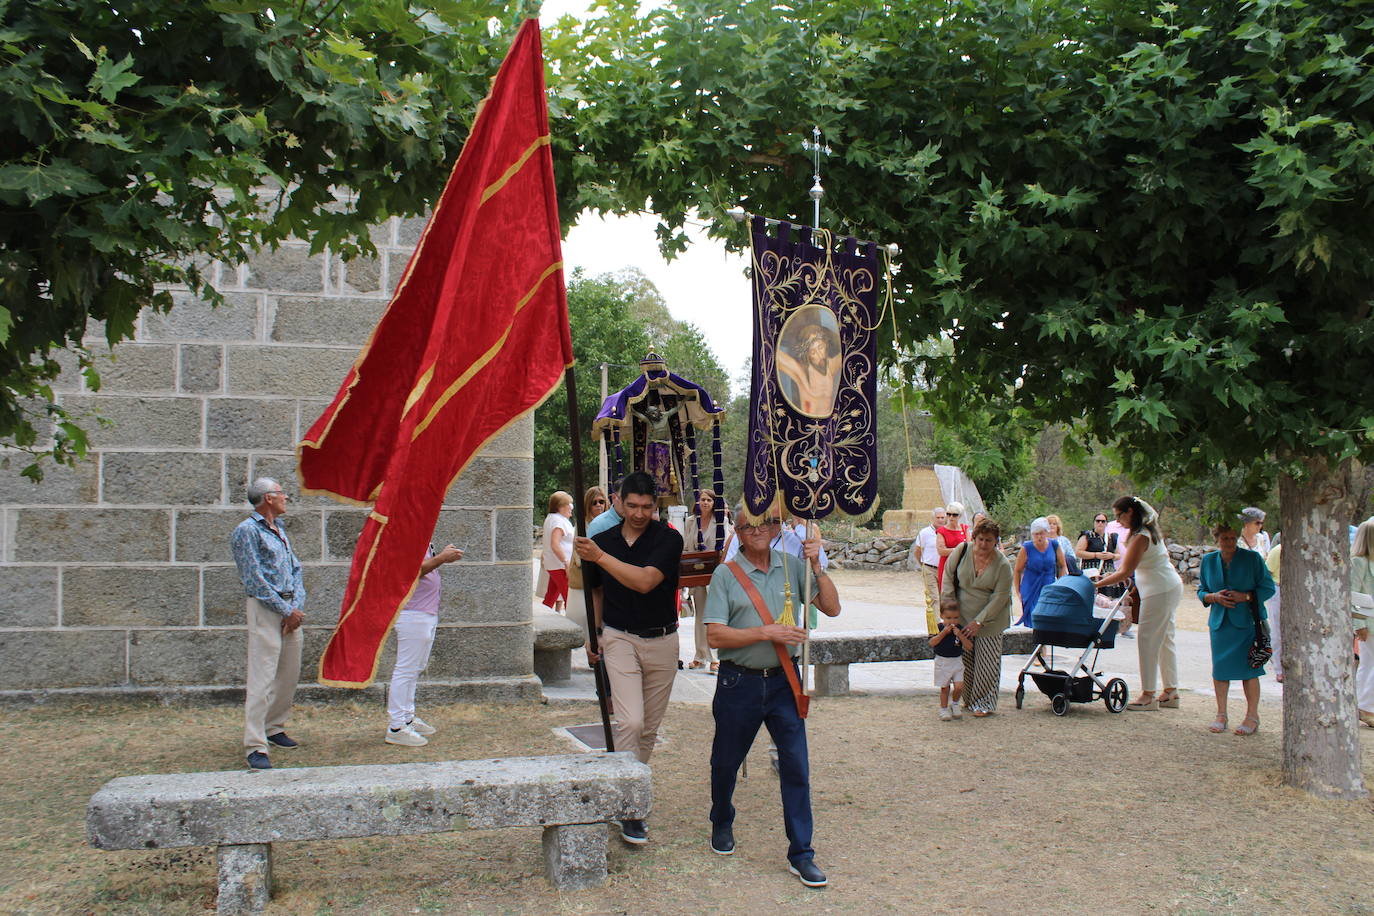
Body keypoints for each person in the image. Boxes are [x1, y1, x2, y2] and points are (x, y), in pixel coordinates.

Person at [703, 505, 841, 887]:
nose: (758, 529)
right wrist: (767, 632)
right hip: (738, 682)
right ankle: (721, 819)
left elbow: (832, 608)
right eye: (749, 525)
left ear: (778, 528)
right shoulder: (726, 574)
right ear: (738, 531)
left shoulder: (792, 566)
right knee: (725, 762)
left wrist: (817, 565)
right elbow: (714, 635)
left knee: (796, 766)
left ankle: (802, 853)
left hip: (784, 681)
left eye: (767, 522)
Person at [575, 471, 683, 846]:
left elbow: (646, 581)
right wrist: (595, 633)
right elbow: (596, 591)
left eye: (646, 507)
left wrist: (599, 557)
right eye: (632, 505)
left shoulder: (668, 538)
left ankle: (627, 790)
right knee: (630, 722)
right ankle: (627, 806)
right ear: (618, 502)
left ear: (656, 505)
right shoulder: (602, 540)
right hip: (620, 637)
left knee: (648, 729)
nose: (638, 514)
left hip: (663, 639)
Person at [230, 478, 305, 770]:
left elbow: (295, 568)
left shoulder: (280, 530)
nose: (286, 497)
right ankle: (255, 745)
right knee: (262, 676)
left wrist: (295, 607)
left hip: (289, 610)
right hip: (266, 609)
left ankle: (274, 727)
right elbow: (254, 579)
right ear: (268, 498)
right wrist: (285, 610)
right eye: (281, 493)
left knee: (288, 673)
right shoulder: (246, 531)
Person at [1095, 496, 1182, 710]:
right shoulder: (1144, 532)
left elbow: (1125, 570)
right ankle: (1171, 692)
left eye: (1119, 516)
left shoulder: (1142, 536)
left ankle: (1148, 695)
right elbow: (1142, 567)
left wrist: (1096, 585)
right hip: (1165, 587)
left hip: (1160, 590)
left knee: (1147, 639)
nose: (1118, 521)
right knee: (1165, 639)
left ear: (1130, 513)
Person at [1197, 522, 1275, 735]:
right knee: (1220, 670)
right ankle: (1221, 714)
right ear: (1217, 539)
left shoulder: (1252, 559)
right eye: (1225, 538)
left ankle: (1252, 716)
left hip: (1247, 623)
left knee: (1249, 671)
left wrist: (1246, 596)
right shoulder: (1208, 561)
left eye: (1233, 538)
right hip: (1220, 624)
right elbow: (1201, 590)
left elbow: (1268, 587)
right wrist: (1213, 597)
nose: (1229, 542)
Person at [384, 541, 465, 747]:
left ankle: (407, 717)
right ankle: (396, 727)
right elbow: (410, 572)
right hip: (412, 612)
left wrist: (441, 557)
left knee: (415, 668)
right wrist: (441, 558)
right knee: (405, 669)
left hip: (425, 612)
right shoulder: (406, 538)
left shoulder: (422, 537)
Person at [940, 518, 1013, 717]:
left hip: (990, 620)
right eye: (980, 539)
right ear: (974, 537)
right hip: (961, 616)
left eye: (989, 540)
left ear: (996, 541)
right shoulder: (961, 551)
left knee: (987, 664)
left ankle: (984, 702)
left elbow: (1000, 597)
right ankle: (969, 699)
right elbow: (948, 577)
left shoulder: (1002, 565)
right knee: (965, 662)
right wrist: (949, 608)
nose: (983, 544)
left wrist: (980, 620)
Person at [684, 488, 732, 673]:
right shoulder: (690, 521)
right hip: (696, 573)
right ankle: (700, 656)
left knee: (714, 616)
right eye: (702, 499)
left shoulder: (721, 521)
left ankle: (715, 658)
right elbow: (686, 546)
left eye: (708, 500)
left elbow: (725, 547)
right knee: (700, 615)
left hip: (715, 574)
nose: (705, 503)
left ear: (714, 503)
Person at [566, 486, 609, 640]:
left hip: (607, 576)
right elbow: (578, 553)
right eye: (594, 502)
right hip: (587, 577)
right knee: (584, 619)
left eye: (601, 502)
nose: (598, 505)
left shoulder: (611, 523)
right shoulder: (583, 525)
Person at [1013, 518, 1066, 627]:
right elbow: (1017, 570)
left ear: (1046, 532)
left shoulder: (1054, 545)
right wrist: (1018, 590)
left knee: (1047, 619)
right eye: (1036, 534)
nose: (1039, 537)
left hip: (1049, 587)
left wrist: (1060, 583)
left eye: (1041, 533)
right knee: (1032, 619)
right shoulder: (1027, 547)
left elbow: (1062, 565)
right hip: (1030, 587)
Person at [929, 596, 972, 721]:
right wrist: (944, 633)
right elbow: (932, 642)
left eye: (955, 618)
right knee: (945, 687)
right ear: (942, 616)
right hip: (942, 661)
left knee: (959, 686)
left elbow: (969, 646)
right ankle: (943, 708)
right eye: (948, 618)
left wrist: (960, 635)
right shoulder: (938, 628)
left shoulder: (960, 629)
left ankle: (955, 704)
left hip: (957, 660)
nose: (952, 621)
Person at [1350, 520, 1374, 728]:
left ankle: (1366, 705)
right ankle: (1365, 707)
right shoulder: (1358, 562)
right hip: (1368, 623)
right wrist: (1359, 624)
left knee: (1369, 664)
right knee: (1369, 664)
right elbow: (1353, 595)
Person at [912, 507, 947, 632]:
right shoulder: (924, 533)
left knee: (944, 596)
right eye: (938, 517)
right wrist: (923, 563)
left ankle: (945, 621)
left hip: (944, 569)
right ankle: (937, 625)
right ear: (933, 518)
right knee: (934, 597)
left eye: (942, 517)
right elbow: (917, 551)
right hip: (929, 568)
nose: (940, 520)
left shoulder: (947, 532)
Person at [541, 491, 574, 611]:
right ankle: (573, 619)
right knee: (569, 596)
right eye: (569, 504)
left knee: (551, 596)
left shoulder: (554, 519)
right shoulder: (558, 521)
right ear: (560, 506)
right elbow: (555, 544)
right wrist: (566, 562)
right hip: (560, 565)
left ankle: (544, 616)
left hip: (555, 564)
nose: (571, 507)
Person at [934, 501, 969, 590]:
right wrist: (959, 549)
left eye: (954, 515)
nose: (951, 517)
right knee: (947, 592)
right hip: (947, 565)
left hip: (962, 565)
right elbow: (941, 551)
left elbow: (969, 547)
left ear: (960, 516)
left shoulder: (965, 528)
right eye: (948, 514)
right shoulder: (942, 531)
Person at [1264, 541, 1283, 683]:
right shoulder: (1277, 550)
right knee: (1277, 630)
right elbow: (1267, 573)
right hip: (1278, 588)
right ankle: (1279, 669)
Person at [1075, 513, 1115, 577]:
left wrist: (1112, 556)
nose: (1100, 523)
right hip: (1091, 572)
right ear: (1094, 522)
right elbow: (1078, 552)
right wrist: (1095, 555)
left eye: (1103, 521)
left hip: (1108, 573)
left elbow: (1119, 555)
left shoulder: (1111, 537)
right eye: (1098, 521)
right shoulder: (1087, 536)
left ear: (1106, 523)